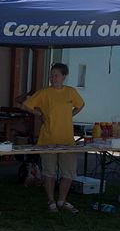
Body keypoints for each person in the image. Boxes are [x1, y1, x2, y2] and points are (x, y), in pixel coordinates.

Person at [22, 62, 85, 213]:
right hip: (48, 139)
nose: (53, 78)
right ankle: (51, 201)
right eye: (51, 75)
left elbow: (81, 105)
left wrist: (70, 115)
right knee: (49, 171)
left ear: (64, 76)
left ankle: (62, 200)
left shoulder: (70, 92)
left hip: (67, 140)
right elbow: (26, 105)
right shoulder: (44, 92)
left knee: (68, 172)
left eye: (56, 75)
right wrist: (40, 114)